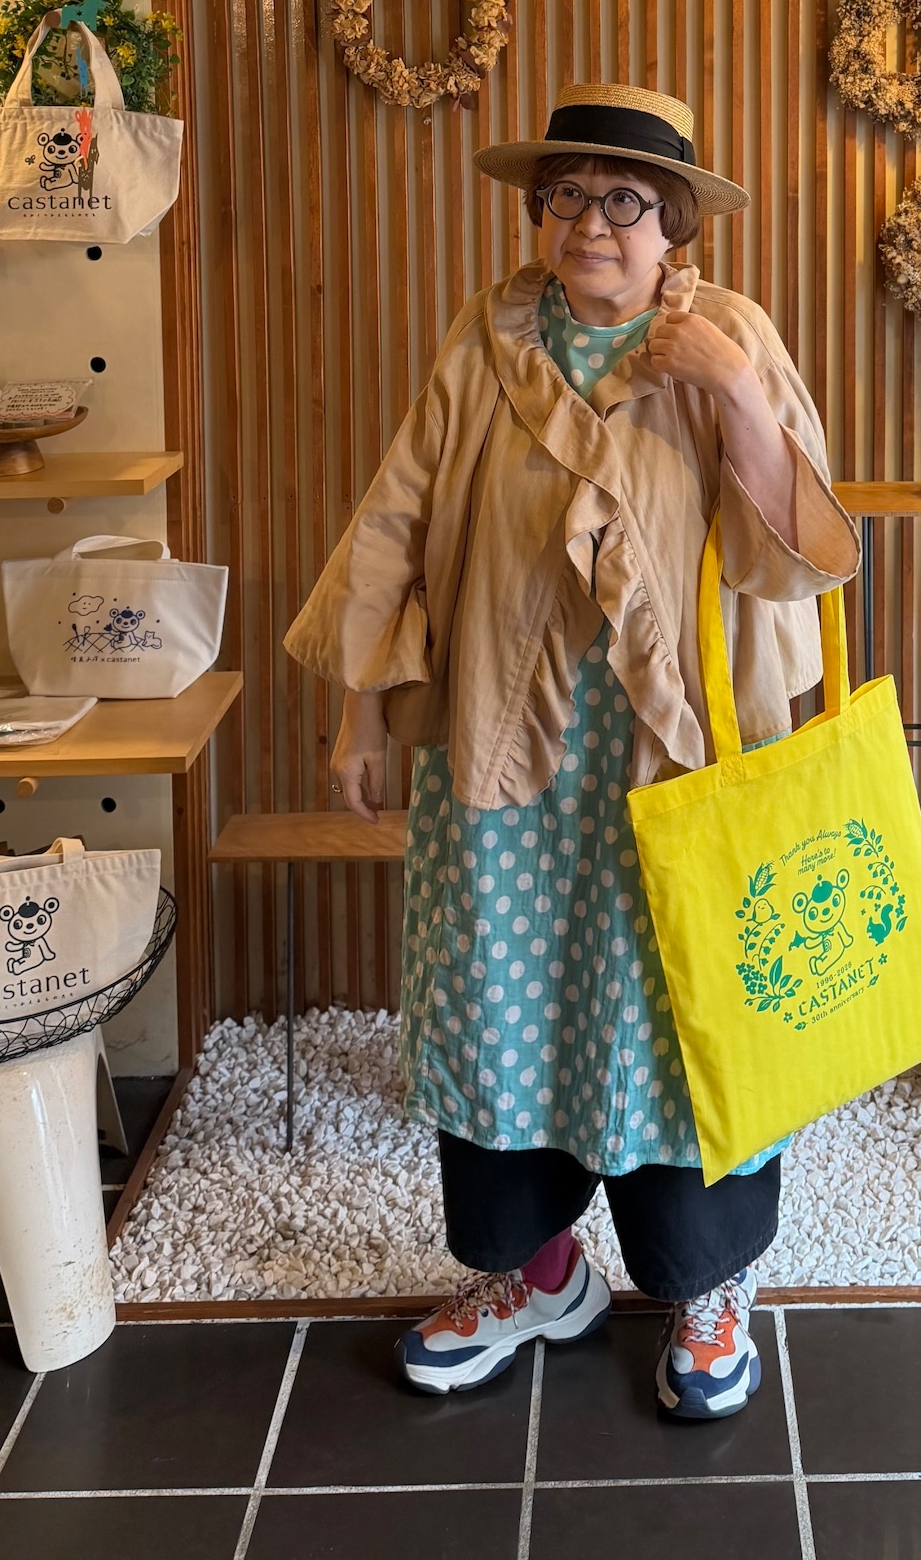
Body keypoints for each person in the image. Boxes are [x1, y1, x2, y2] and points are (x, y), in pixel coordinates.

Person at [284, 83, 859, 1421]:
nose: (589, 223)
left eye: (622, 201)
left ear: (674, 223)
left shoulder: (733, 332)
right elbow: (395, 517)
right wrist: (360, 708)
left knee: (686, 1011)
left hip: (684, 753)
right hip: (508, 743)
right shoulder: (487, 337)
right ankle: (534, 1273)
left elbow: (800, 551)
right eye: (564, 197)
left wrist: (732, 390)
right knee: (506, 997)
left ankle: (707, 1284)